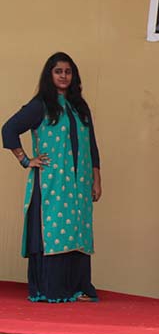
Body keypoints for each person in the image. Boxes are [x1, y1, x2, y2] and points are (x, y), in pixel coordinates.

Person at [2, 52, 101, 303]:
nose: (64, 76)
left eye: (68, 72)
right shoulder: (41, 105)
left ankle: (77, 287)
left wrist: (96, 179)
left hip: (79, 185)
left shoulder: (80, 107)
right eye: (58, 71)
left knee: (78, 231)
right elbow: (9, 129)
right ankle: (50, 288)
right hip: (52, 184)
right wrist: (26, 160)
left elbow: (91, 145)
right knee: (53, 230)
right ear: (50, 75)